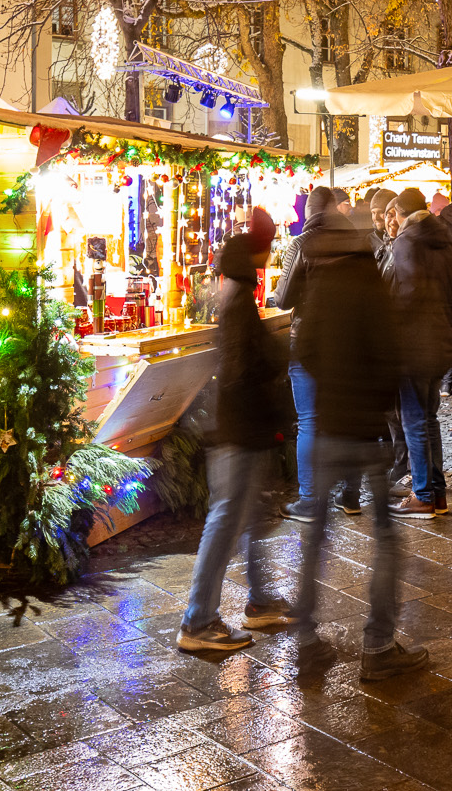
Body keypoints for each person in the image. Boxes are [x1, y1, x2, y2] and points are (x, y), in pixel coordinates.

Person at [289, 209, 428, 682]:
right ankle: (379, 644)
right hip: (364, 430)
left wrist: (330, 385)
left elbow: (303, 348)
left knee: (316, 538)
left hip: (328, 425)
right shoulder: (370, 284)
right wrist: (375, 399)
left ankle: (306, 640)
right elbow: (390, 354)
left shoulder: (322, 286)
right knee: (386, 540)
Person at [179, 213, 295, 652]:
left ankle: (261, 601)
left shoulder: (234, 295)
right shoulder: (241, 301)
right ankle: (198, 621)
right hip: (241, 429)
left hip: (239, 427)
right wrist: (277, 353)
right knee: (227, 520)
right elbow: (245, 368)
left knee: (245, 518)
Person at [383, 187, 452, 516]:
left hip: (411, 346)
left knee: (414, 420)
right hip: (441, 343)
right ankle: (436, 494)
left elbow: (394, 295)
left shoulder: (405, 243)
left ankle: (423, 494)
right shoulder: (447, 242)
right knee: (429, 418)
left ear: (400, 213)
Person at [273, 187, 359, 520]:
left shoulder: (303, 243)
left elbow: (283, 298)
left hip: (310, 340)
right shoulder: (358, 242)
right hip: (350, 340)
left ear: (310, 210)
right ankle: (350, 496)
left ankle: (310, 500)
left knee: (309, 421)